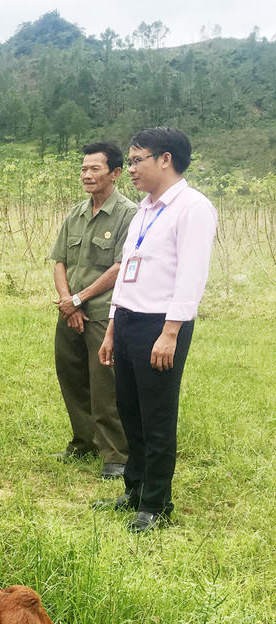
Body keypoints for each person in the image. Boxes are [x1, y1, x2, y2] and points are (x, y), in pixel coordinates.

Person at [96, 127, 217, 532]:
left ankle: (156, 504)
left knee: (157, 416)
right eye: (130, 161)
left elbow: (191, 276)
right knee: (130, 412)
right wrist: (112, 326)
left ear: (165, 159)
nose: (130, 169)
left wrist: (170, 332)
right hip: (128, 319)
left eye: (137, 160)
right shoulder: (144, 210)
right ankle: (134, 490)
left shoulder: (192, 208)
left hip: (161, 324)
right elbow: (127, 273)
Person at [50, 141, 136, 479]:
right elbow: (59, 260)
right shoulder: (76, 213)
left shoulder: (129, 214)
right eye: (83, 168)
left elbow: (120, 267)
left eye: (94, 168)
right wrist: (67, 302)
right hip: (70, 311)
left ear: (115, 173)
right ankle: (83, 442)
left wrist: (79, 299)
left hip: (103, 313)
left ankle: (116, 454)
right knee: (71, 377)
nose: (86, 174)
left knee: (105, 385)